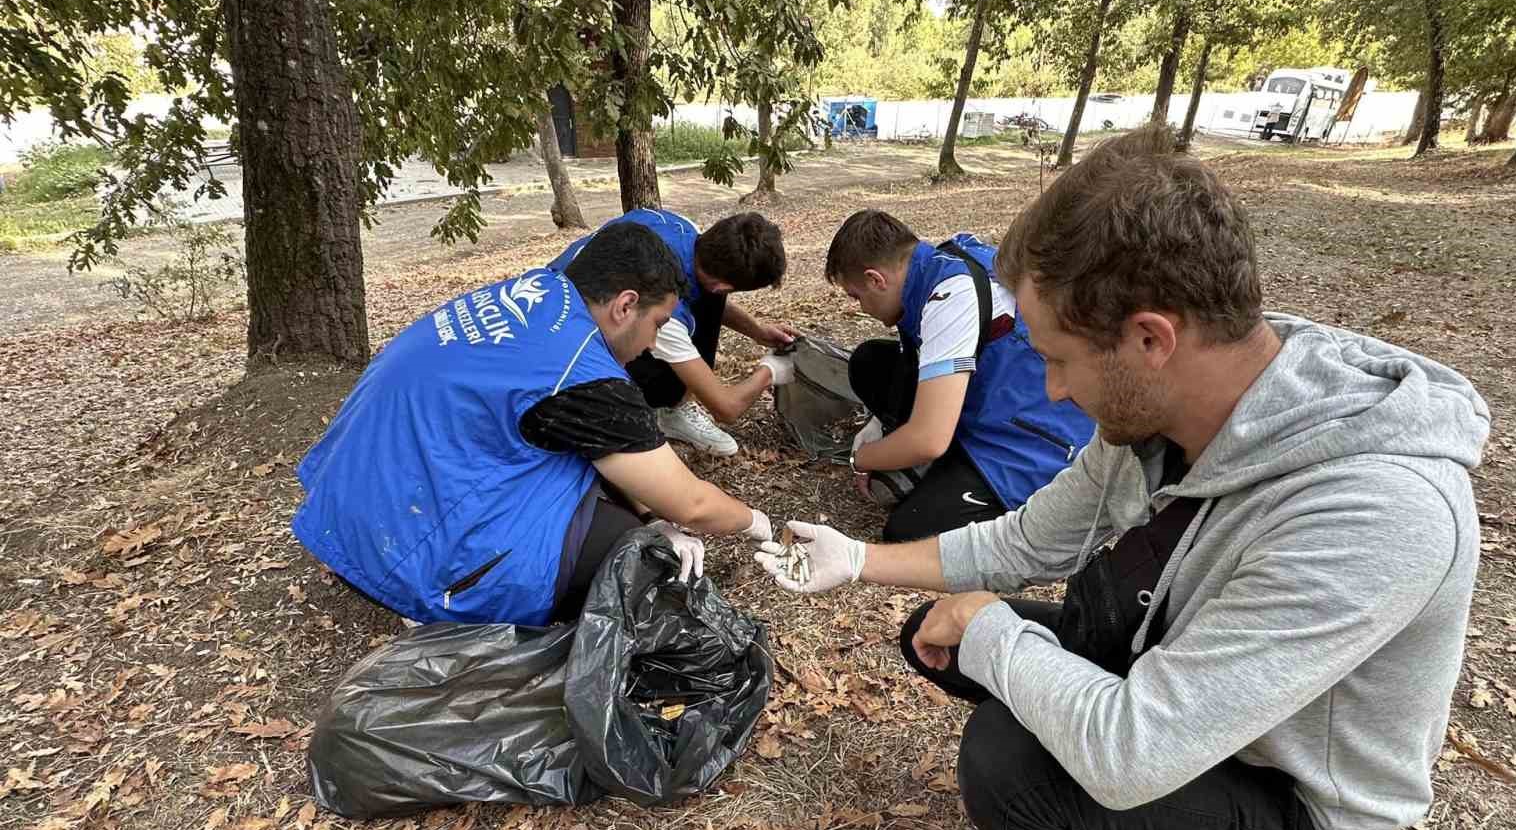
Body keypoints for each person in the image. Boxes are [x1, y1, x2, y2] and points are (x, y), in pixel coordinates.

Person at [757, 124, 1488, 830]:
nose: (1055, 391)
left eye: (1060, 361)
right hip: (1181, 666)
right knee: (942, 636)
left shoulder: (1375, 513)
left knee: (1009, 752)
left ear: (1150, 339)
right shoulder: (1162, 413)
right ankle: (1093, 818)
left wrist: (994, 630)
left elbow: (1132, 750)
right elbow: (1026, 540)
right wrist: (859, 561)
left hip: (1288, 789)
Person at [293, 222, 773, 628]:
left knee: (598, 483)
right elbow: (691, 503)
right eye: (659, 323)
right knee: (631, 556)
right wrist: (754, 522)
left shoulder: (538, 291)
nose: (652, 345)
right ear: (625, 306)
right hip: (395, 546)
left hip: (343, 503)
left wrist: (651, 515)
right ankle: (438, 594)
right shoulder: (580, 374)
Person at [824, 210, 1095, 542]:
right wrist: (878, 426)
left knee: (908, 531)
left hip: (1034, 436)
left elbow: (929, 439)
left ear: (875, 280)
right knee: (869, 362)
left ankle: (968, 476)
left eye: (856, 296)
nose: (860, 307)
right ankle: (935, 460)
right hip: (990, 392)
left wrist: (860, 458)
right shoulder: (939, 263)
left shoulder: (949, 296)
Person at [549, 208, 798, 457]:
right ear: (723, 286)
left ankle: (670, 407)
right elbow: (727, 408)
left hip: (559, 298)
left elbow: (709, 294)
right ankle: (666, 410)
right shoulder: (657, 307)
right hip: (564, 357)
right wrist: (772, 369)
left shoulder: (681, 229)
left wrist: (758, 332)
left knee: (706, 301)